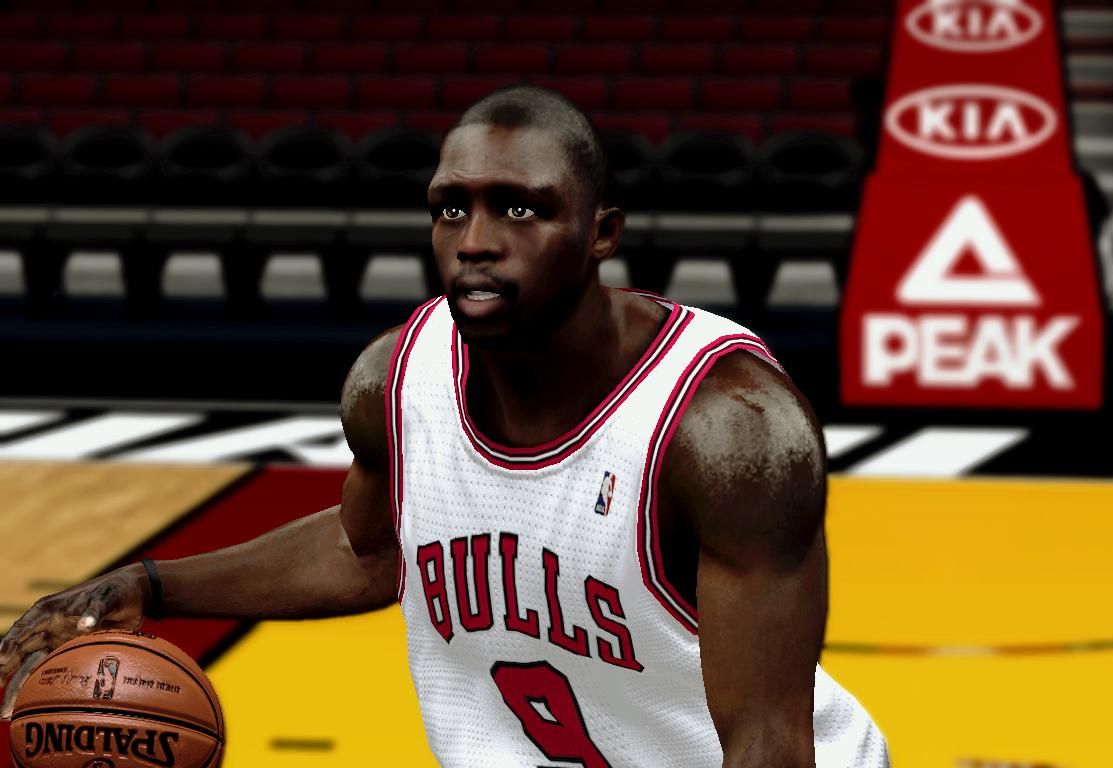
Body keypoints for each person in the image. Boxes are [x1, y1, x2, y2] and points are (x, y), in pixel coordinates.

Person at [0, 87, 888, 767]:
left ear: (602, 233)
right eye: (451, 207)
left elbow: (767, 742)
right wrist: (149, 586)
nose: (475, 240)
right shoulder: (394, 380)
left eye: (520, 208)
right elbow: (368, 550)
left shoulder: (726, 427)